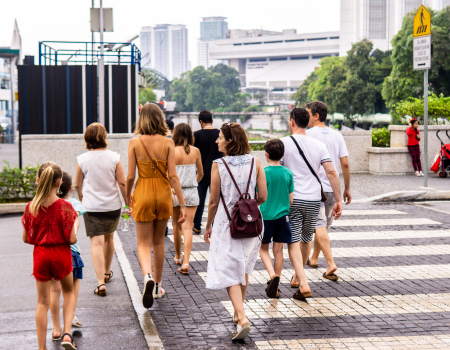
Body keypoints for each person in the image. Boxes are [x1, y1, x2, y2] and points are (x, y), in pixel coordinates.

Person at [204, 122, 267, 341]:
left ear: (230, 141)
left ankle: (242, 317)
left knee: (227, 268)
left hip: (226, 222)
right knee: (242, 265)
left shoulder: (218, 165)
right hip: (251, 221)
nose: (217, 140)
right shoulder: (256, 161)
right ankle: (237, 311)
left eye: (220, 137)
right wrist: (247, 206)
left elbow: (213, 201)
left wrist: (208, 225)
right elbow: (263, 196)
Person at [127, 103, 186, 308]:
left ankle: (147, 276)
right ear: (160, 119)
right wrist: (183, 204)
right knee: (158, 242)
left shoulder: (134, 142)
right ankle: (158, 285)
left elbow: (130, 176)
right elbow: (172, 176)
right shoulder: (168, 143)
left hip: (142, 192)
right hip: (163, 194)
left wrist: (128, 196)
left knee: (143, 243)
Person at [281, 108, 342, 296]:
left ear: (292, 122)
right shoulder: (318, 145)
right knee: (306, 239)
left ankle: (303, 282)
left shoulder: (283, 143)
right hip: (314, 200)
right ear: (307, 122)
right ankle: (298, 276)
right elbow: (331, 172)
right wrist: (339, 199)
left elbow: (278, 172)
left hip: (293, 200)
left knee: (294, 241)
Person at [22, 162, 79, 350]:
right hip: (61, 253)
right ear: (59, 182)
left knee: (42, 302)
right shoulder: (66, 207)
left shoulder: (31, 207)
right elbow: (71, 239)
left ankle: (41, 347)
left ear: (38, 180)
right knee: (68, 293)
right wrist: (75, 225)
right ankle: (67, 334)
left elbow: (27, 239)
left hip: (40, 254)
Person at [74, 123, 128, 297]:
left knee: (96, 242)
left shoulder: (82, 159)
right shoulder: (114, 157)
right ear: (104, 137)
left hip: (91, 206)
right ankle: (106, 271)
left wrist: (81, 196)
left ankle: (100, 283)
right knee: (109, 238)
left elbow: (76, 183)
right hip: (112, 206)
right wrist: (127, 202)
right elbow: (122, 182)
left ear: (87, 138)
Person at [259, 139, 310, 300]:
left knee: (263, 249)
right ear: (282, 155)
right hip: (284, 217)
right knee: (278, 251)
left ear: (266, 154)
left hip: (266, 217)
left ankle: (272, 276)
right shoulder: (288, 173)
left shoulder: (263, 172)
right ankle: (276, 285)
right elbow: (291, 199)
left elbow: (258, 196)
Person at [306, 101, 352, 279]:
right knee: (322, 225)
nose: (307, 117)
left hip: (314, 188)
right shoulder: (337, 135)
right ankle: (315, 258)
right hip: (332, 188)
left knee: (318, 226)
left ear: (316, 115)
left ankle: (329, 263)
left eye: (308, 113)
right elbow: (345, 164)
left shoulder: (307, 135)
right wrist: (346, 188)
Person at [50, 172, 86, 339]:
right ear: (70, 188)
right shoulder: (74, 204)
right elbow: (74, 226)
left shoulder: (50, 203)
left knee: (54, 291)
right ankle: (69, 321)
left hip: (53, 252)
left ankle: (56, 328)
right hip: (72, 252)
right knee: (70, 292)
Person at [172, 123, 204, 274]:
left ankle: (178, 256)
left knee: (176, 226)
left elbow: (168, 175)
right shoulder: (196, 151)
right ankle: (186, 262)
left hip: (174, 193)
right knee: (188, 228)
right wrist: (193, 183)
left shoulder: (171, 150)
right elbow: (201, 173)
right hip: (191, 192)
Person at [193, 110, 223, 234]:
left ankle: (197, 225)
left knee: (199, 199)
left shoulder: (197, 135)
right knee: (216, 199)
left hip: (202, 172)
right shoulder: (220, 133)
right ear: (212, 120)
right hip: (218, 171)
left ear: (201, 122)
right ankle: (216, 225)